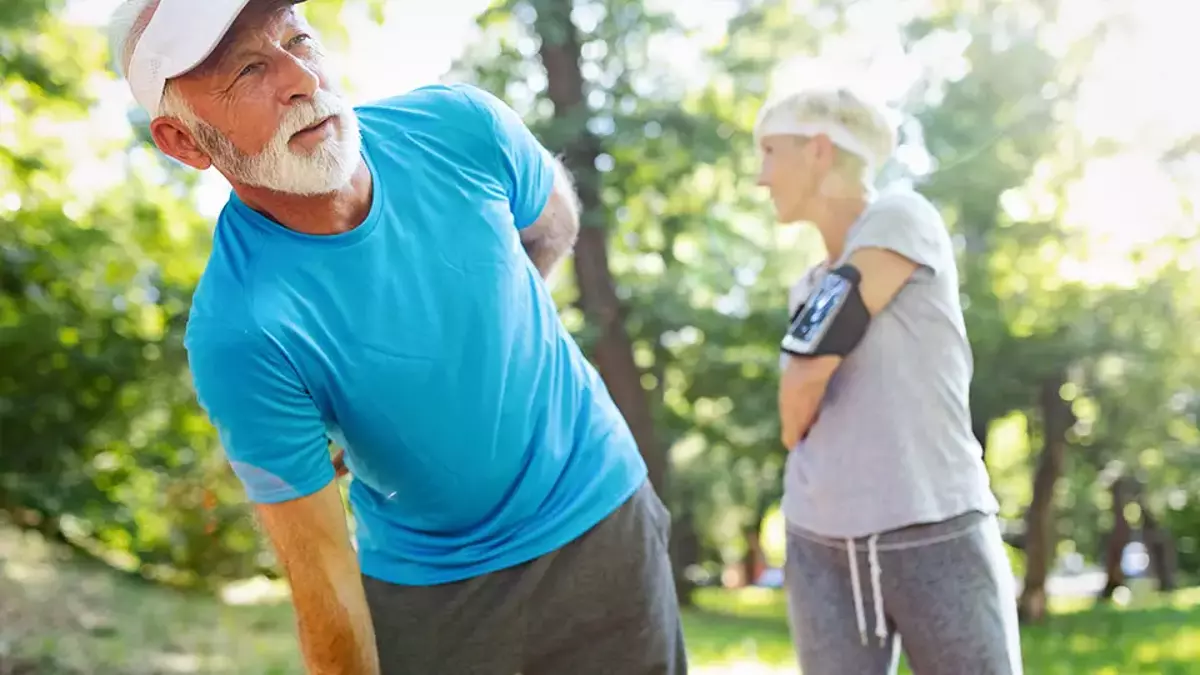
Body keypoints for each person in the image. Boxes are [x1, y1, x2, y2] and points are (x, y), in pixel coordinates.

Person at [105, 1, 688, 673]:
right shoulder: (239, 328)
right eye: (248, 70)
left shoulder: (462, 127)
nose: (301, 78)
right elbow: (322, 579)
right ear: (183, 141)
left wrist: (493, 329)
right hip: (433, 594)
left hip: (600, 515)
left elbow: (551, 222)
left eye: (299, 39)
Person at [755, 85, 1024, 674]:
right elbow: (795, 405)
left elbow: (807, 376)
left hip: (935, 527)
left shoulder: (900, 217)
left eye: (770, 152)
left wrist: (806, 377)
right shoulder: (806, 286)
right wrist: (805, 378)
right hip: (819, 541)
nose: (761, 177)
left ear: (819, 150)